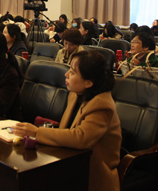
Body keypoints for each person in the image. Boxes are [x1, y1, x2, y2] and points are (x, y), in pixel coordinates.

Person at [13, 50, 121, 191]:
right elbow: (65, 129)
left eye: (73, 72)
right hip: (70, 162)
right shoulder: (76, 94)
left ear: (88, 82)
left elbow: (81, 138)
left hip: (92, 174)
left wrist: (36, 132)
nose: (66, 74)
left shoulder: (102, 104)